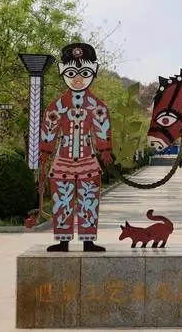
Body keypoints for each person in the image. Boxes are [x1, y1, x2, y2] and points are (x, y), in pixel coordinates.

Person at [39, 42, 113, 252]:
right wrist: (45, 150)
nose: (78, 79)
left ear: (94, 71)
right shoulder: (57, 106)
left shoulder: (97, 106)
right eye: (72, 73)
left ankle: (88, 240)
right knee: (62, 198)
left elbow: (102, 128)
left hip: (88, 159)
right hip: (62, 159)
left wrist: (105, 149)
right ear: (63, 72)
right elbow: (49, 128)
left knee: (89, 199)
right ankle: (63, 240)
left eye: (85, 73)